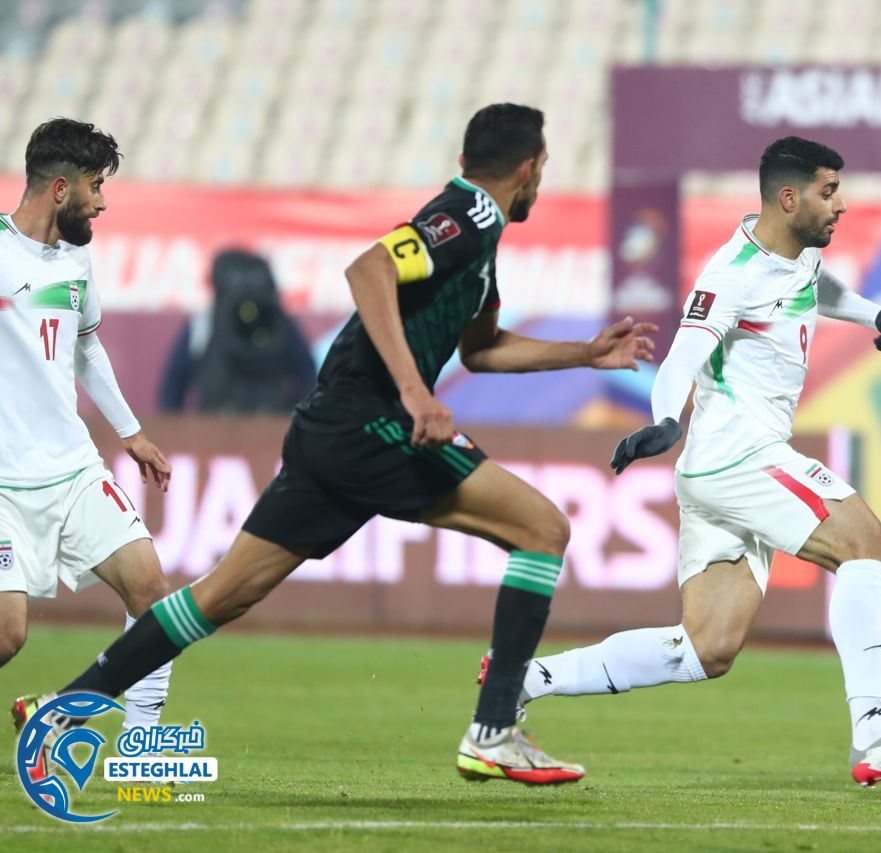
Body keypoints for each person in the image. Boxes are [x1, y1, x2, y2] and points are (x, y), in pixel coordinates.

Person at [17, 104, 656, 785]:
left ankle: (60, 711)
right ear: (527, 170)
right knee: (543, 528)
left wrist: (583, 353)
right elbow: (368, 269)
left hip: (332, 431)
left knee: (220, 596)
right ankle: (494, 729)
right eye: (544, 169)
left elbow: (484, 348)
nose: (541, 182)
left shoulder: (483, 240)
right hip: (371, 421)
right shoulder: (464, 218)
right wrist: (414, 392)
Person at [493, 136, 881, 786]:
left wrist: (876, 313)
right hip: (739, 455)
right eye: (830, 192)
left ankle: (524, 678)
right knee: (870, 551)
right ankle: (875, 730)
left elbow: (814, 286)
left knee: (706, 647)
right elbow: (684, 355)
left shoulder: (791, 257)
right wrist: (663, 419)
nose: (842, 206)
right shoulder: (732, 273)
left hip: (719, 470)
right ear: (789, 196)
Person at [2, 119, 176, 778]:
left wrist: (130, 432)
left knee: (155, 596)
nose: (102, 201)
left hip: (72, 470)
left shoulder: (75, 261)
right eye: (96, 186)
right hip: (3, 485)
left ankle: (140, 745)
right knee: (7, 633)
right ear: (58, 187)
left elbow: (87, 345)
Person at [158, 248, 316, 414]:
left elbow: (172, 391)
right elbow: (310, 379)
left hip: (219, 428)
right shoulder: (280, 322)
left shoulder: (203, 324)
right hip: (264, 425)